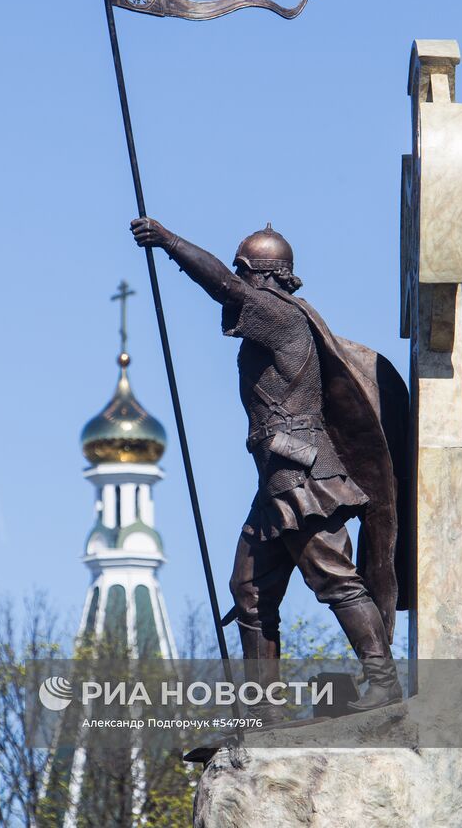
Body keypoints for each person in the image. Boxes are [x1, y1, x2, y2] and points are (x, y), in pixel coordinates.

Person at [131, 217, 408, 712]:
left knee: (334, 577)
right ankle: (263, 706)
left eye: (246, 274)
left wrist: (167, 241)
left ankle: (383, 683)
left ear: (263, 276)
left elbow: (221, 286)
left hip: (302, 476)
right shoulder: (275, 317)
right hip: (276, 481)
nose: (243, 286)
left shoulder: (282, 315)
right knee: (250, 590)